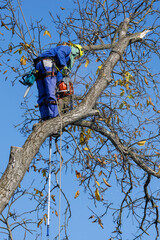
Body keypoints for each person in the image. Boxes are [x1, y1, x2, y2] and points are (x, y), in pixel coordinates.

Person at [34, 43, 84, 120]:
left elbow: (59, 71)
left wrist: (59, 81)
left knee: (42, 94)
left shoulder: (59, 59)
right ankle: (54, 116)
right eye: (77, 57)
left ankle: (45, 116)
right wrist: (64, 66)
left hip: (38, 65)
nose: (76, 58)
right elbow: (60, 53)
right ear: (77, 51)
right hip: (48, 64)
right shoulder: (68, 49)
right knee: (51, 92)